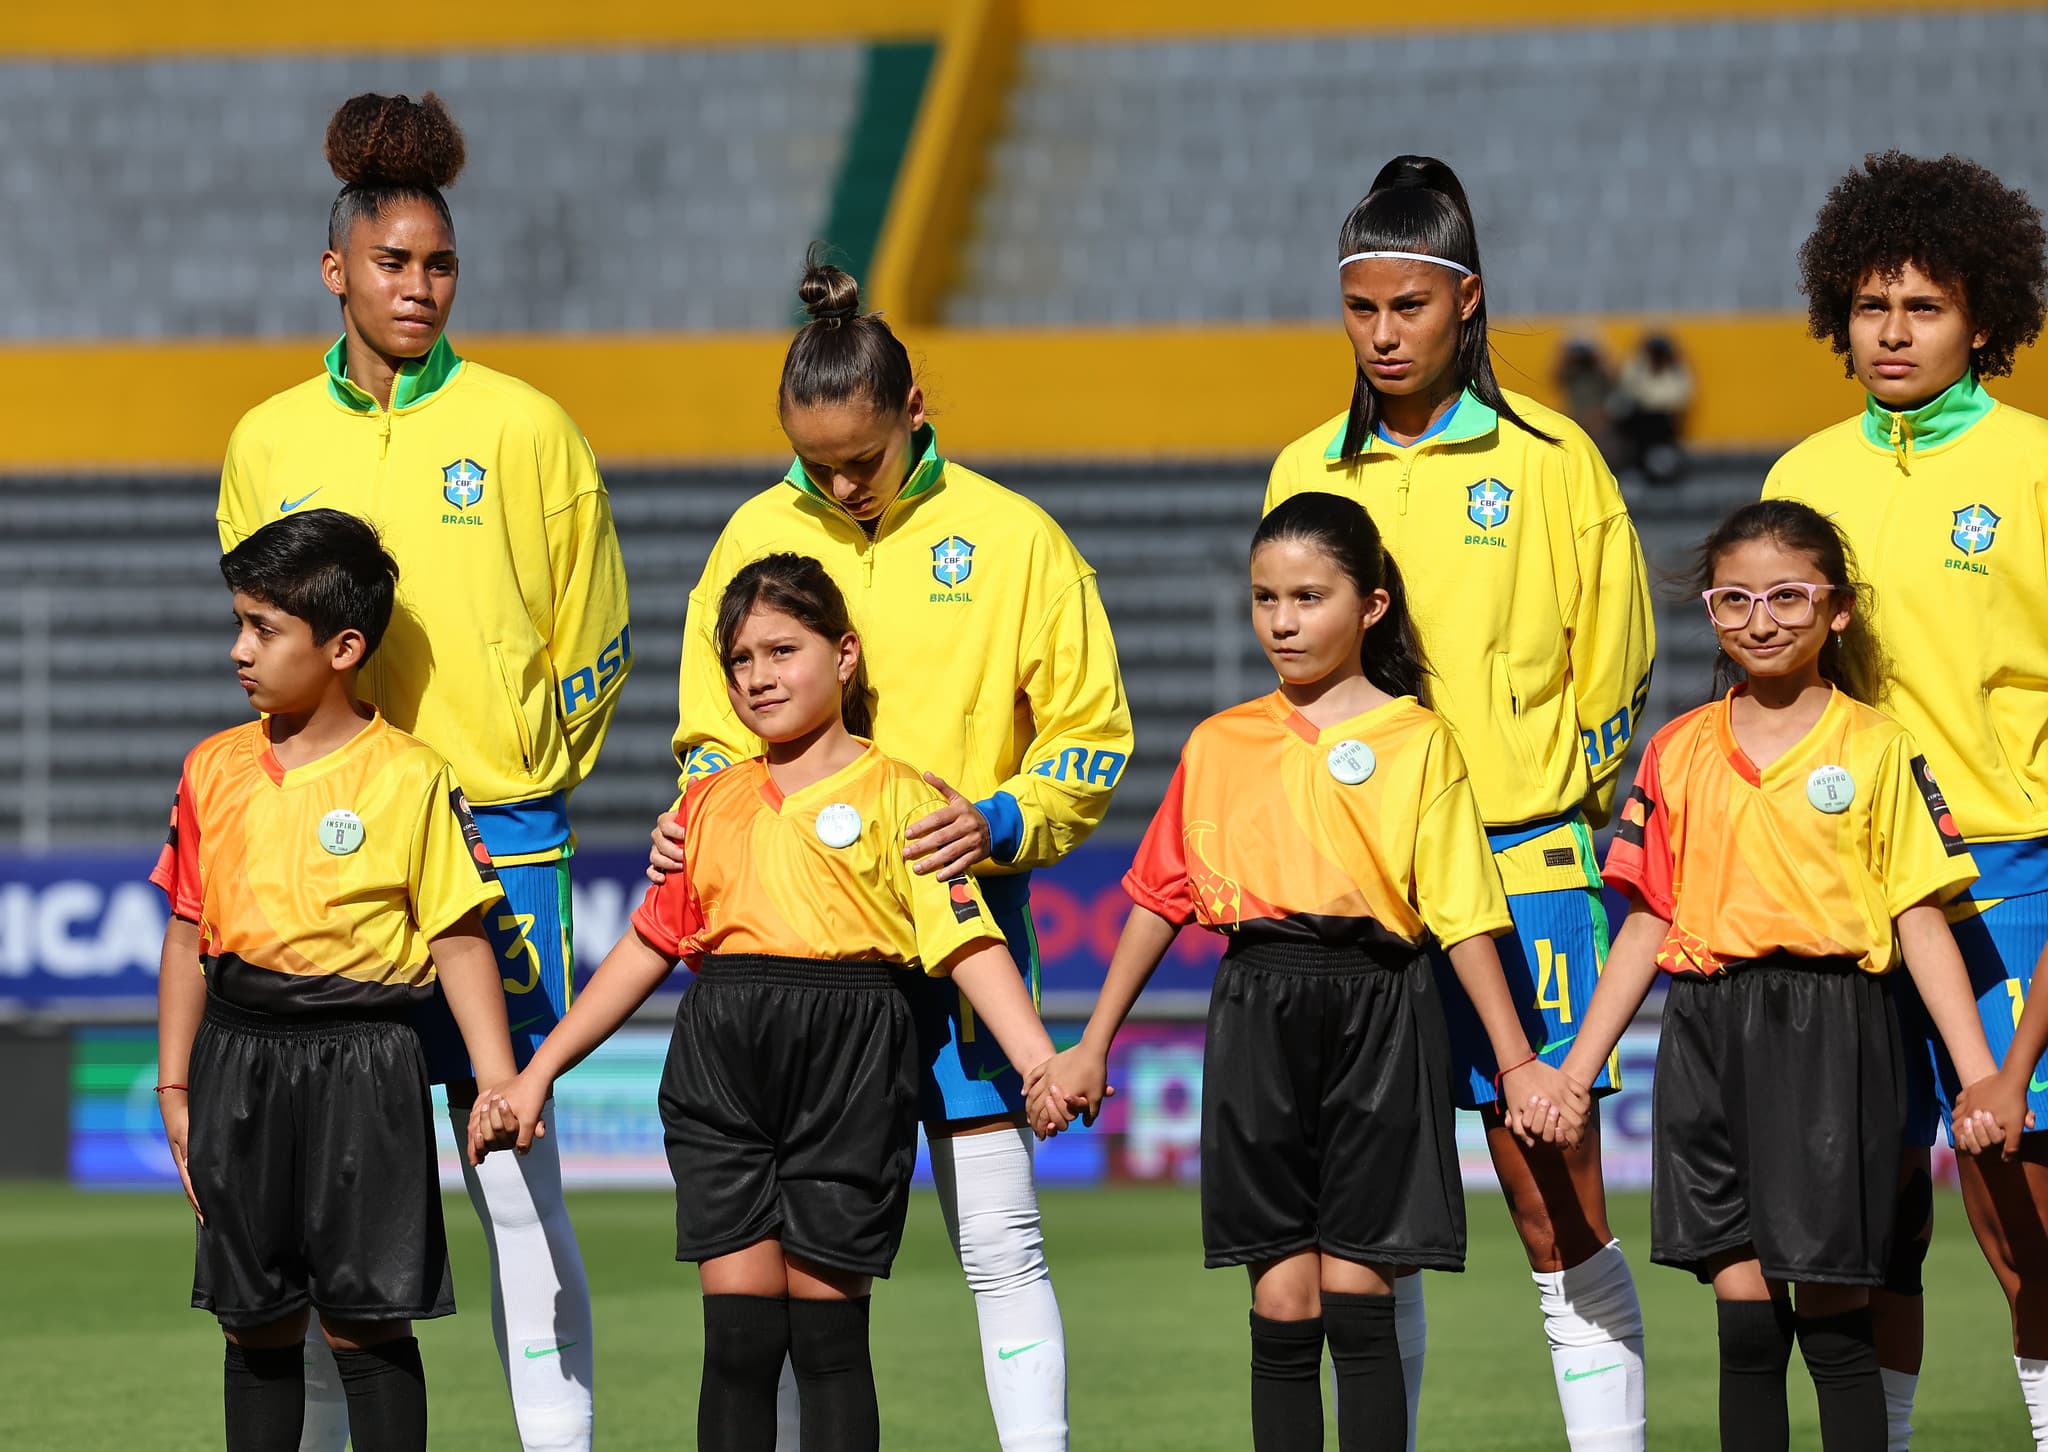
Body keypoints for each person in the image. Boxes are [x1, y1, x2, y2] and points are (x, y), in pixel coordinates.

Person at [652, 251, 1131, 1452]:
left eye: (858, 459)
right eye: (810, 462)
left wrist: (1003, 817)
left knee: (998, 1240)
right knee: (776, 1289)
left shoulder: (1015, 539)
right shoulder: (754, 533)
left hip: (959, 933)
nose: (835, 483)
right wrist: (697, 812)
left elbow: (1090, 737)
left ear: (913, 410)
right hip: (799, 960)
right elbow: (712, 727)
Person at [215, 92, 628, 1452]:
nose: (418, 286)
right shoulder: (267, 440)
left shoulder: (528, 427)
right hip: (328, 856)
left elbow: (595, 639)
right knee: (315, 1205)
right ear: (335, 268)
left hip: (497, 842)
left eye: (440, 264)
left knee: (512, 1178)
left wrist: (520, 767)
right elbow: (264, 631)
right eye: (392, 262)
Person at [1025, 492, 1583, 1451]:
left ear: (1371, 607)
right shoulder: (1220, 741)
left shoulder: (1420, 740)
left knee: (1360, 1291)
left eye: (1308, 597)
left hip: (1384, 1011)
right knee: (1282, 1298)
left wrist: (1516, 1060)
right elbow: (1161, 897)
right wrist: (1091, 1043)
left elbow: (1463, 916)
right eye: (1265, 598)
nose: (1282, 621)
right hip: (1258, 1008)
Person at [479, 554, 1071, 1452]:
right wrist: (537, 1074)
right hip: (723, 1068)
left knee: (829, 1342)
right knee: (740, 1341)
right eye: (741, 660)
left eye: (783, 650)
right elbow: (646, 947)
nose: (759, 676)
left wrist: (1037, 1062)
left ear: (845, 655)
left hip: (852, 1068)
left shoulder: (902, 797)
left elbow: (966, 942)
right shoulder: (707, 805)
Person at [1263, 155, 1654, 1451]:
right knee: (1368, 1222)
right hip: (1359, 896)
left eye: (1409, 306)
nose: (1383, 334)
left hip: (1521, 869)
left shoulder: (1552, 460)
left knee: (1556, 1204)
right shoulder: (1306, 468)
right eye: (1360, 308)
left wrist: (1549, 797)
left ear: (1466, 300)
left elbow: (1618, 662)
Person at [1558, 498, 2006, 1451]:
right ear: (1711, 611)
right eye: (1735, 599)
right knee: (1747, 1320)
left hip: (1835, 1032)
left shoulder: (1876, 746)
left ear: (1838, 609)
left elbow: (1919, 915)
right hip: (1707, 1033)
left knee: (1836, 1316)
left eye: (1788, 597)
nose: (1760, 620)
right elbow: (1648, 919)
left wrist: (1978, 1078)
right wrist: (1573, 1073)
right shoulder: (1678, 750)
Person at [1761, 149, 2048, 1450]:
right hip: (1848, 892)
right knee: (1864, 1231)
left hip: (2007, 875)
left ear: (1981, 319)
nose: (1891, 331)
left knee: (2020, 1215)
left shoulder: (2034, 467)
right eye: (1870, 305)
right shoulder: (1804, 476)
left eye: (1922, 306)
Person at [152, 510, 523, 1451]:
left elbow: (458, 938)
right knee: (254, 1320)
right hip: (239, 1055)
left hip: (366, 1063)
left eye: (264, 628)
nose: (240, 649)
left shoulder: (410, 775)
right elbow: (188, 931)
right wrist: (175, 1085)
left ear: (344, 648)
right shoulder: (212, 768)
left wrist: (497, 1081)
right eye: (238, 623)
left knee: (366, 1322)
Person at [1611, 334, 1692, 483]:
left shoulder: (1676, 371)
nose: (1656, 357)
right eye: (1653, 353)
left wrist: (1654, 402)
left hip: (1666, 419)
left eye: (1660, 353)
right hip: (1641, 418)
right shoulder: (1638, 369)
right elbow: (1629, 388)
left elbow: (1681, 396)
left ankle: (1663, 465)